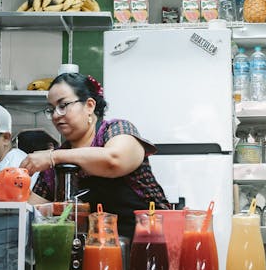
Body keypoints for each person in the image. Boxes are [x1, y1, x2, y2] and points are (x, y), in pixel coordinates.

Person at [20, 73, 169, 240]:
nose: (55, 115)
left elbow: (114, 160)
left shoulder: (115, 130)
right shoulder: (54, 165)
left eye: (63, 105)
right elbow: (33, 210)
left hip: (150, 246)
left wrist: (52, 157)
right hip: (90, 255)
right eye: (51, 109)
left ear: (89, 105)